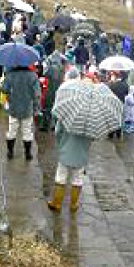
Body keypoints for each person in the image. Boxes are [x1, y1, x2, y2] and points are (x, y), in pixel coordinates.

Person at [47, 71, 93, 213]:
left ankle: (57, 203)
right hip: (82, 154)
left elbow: (57, 132)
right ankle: (73, 204)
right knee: (77, 178)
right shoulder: (91, 117)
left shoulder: (67, 112)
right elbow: (92, 137)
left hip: (66, 150)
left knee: (61, 176)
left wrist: (60, 143)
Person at [1, 64, 41, 160]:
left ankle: (10, 152)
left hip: (14, 107)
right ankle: (28, 153)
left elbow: (4, 89)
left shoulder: (10, 75)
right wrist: (36, 107)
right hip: (27, 108)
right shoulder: (33, 76)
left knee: (12, 130)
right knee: (27, 130)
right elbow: (37, 94)